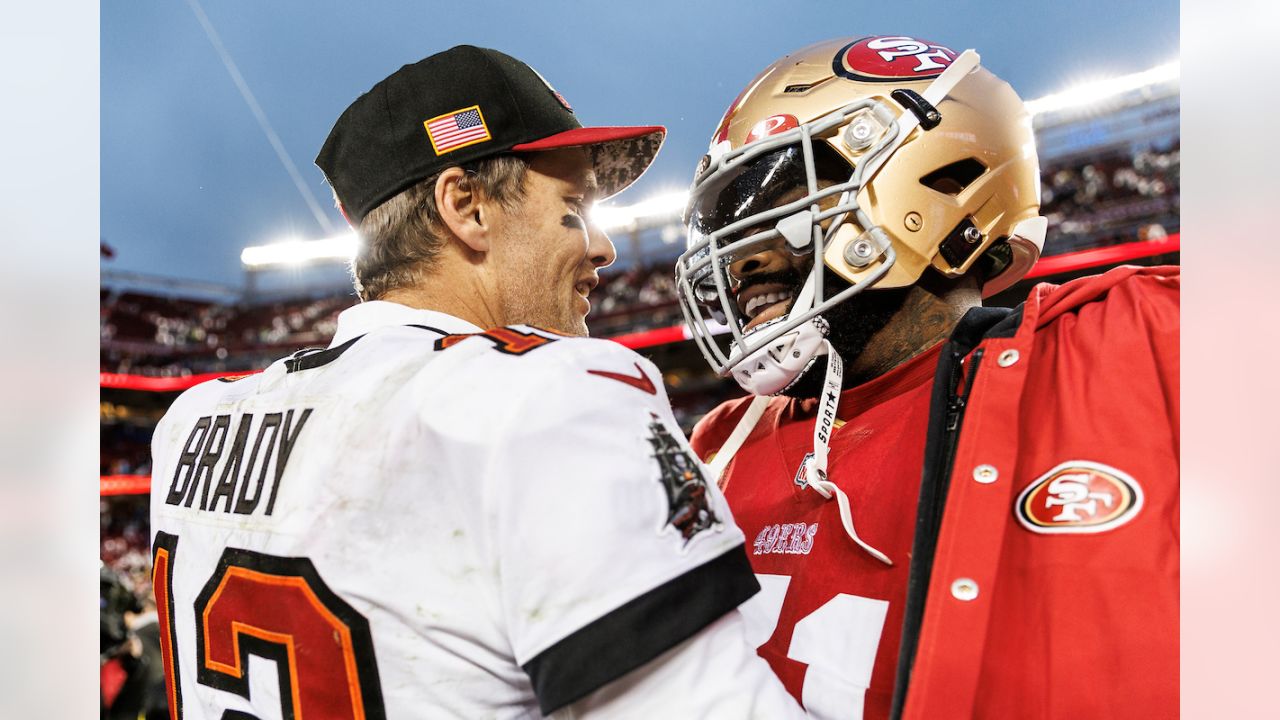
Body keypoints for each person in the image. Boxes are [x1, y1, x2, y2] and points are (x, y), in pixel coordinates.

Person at [149, 46, 803, 718]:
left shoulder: (193, 421)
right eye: (573, 204)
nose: (602, 247)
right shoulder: (549, 396)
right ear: (467, 206)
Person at [680, 36, 1178, 720]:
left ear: (938, 184)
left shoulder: (1131, 343)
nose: (742, 263)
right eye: (732, 233)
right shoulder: (720, 443)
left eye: (786, 210)